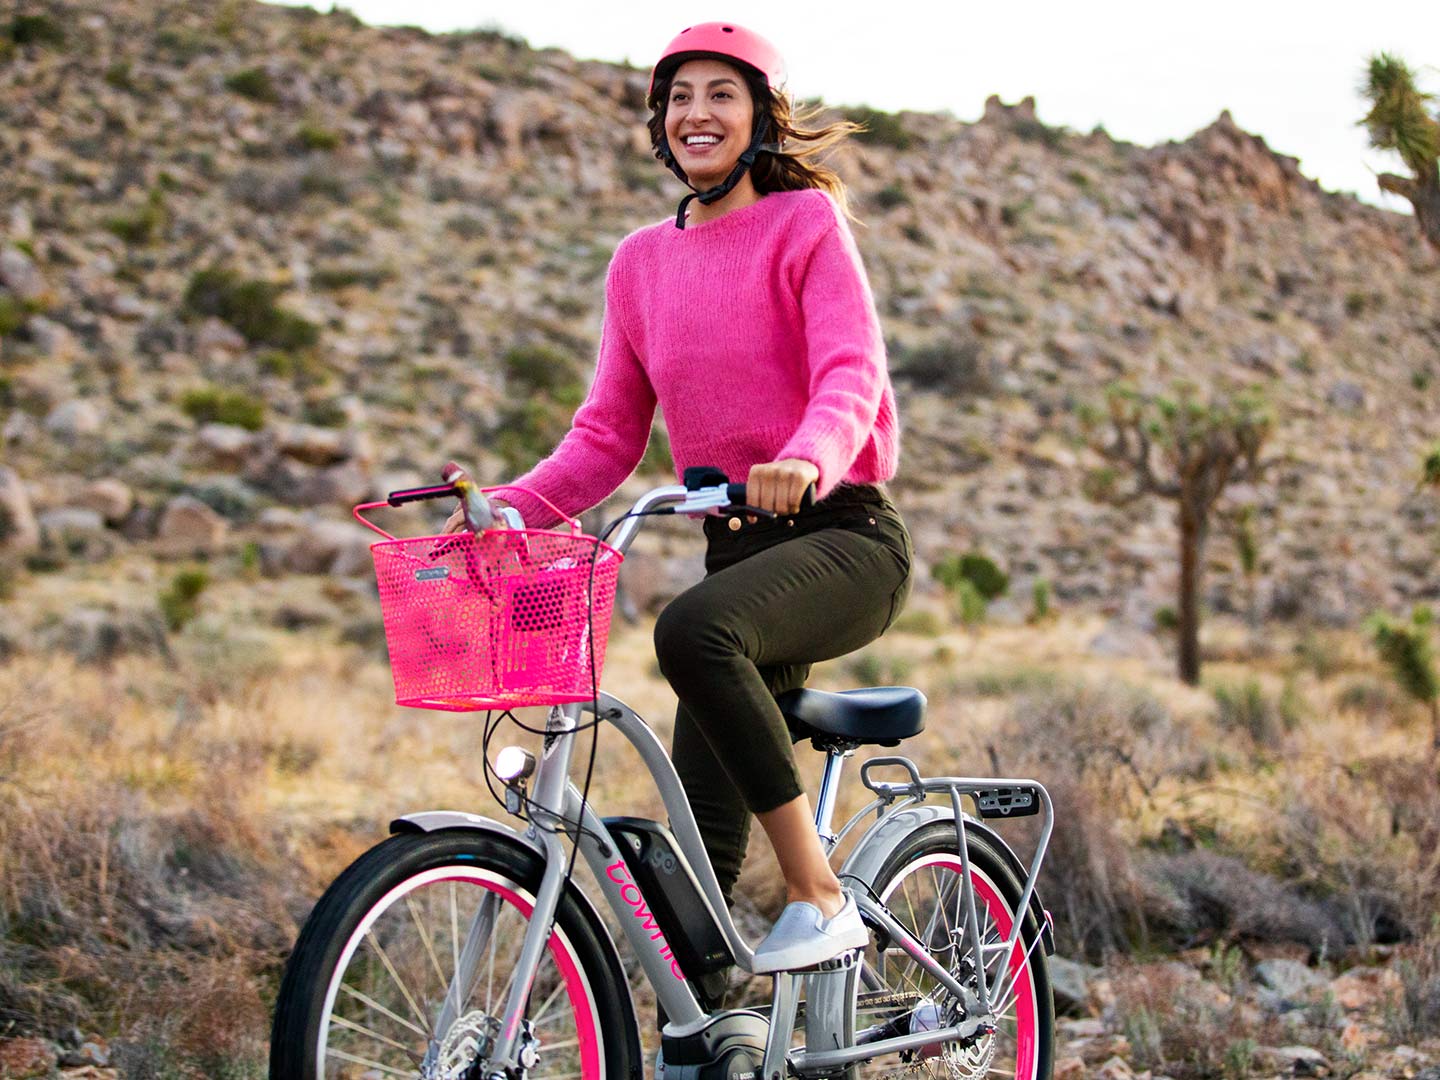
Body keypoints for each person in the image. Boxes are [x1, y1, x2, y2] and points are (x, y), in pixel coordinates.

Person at [445, 21, 912, 973]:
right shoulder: (639, 264)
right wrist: (510, 509)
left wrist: (808, 458)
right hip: (738, 560)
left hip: (843, 537)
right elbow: (606, 436)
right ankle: (715, 1042)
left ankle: (818, 895)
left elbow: (851, 374)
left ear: (760, 118)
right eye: (679, 97)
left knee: (692, 634)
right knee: (693, 880)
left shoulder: (807, 223)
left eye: (720, 95)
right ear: (661, 123)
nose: (696, 113)